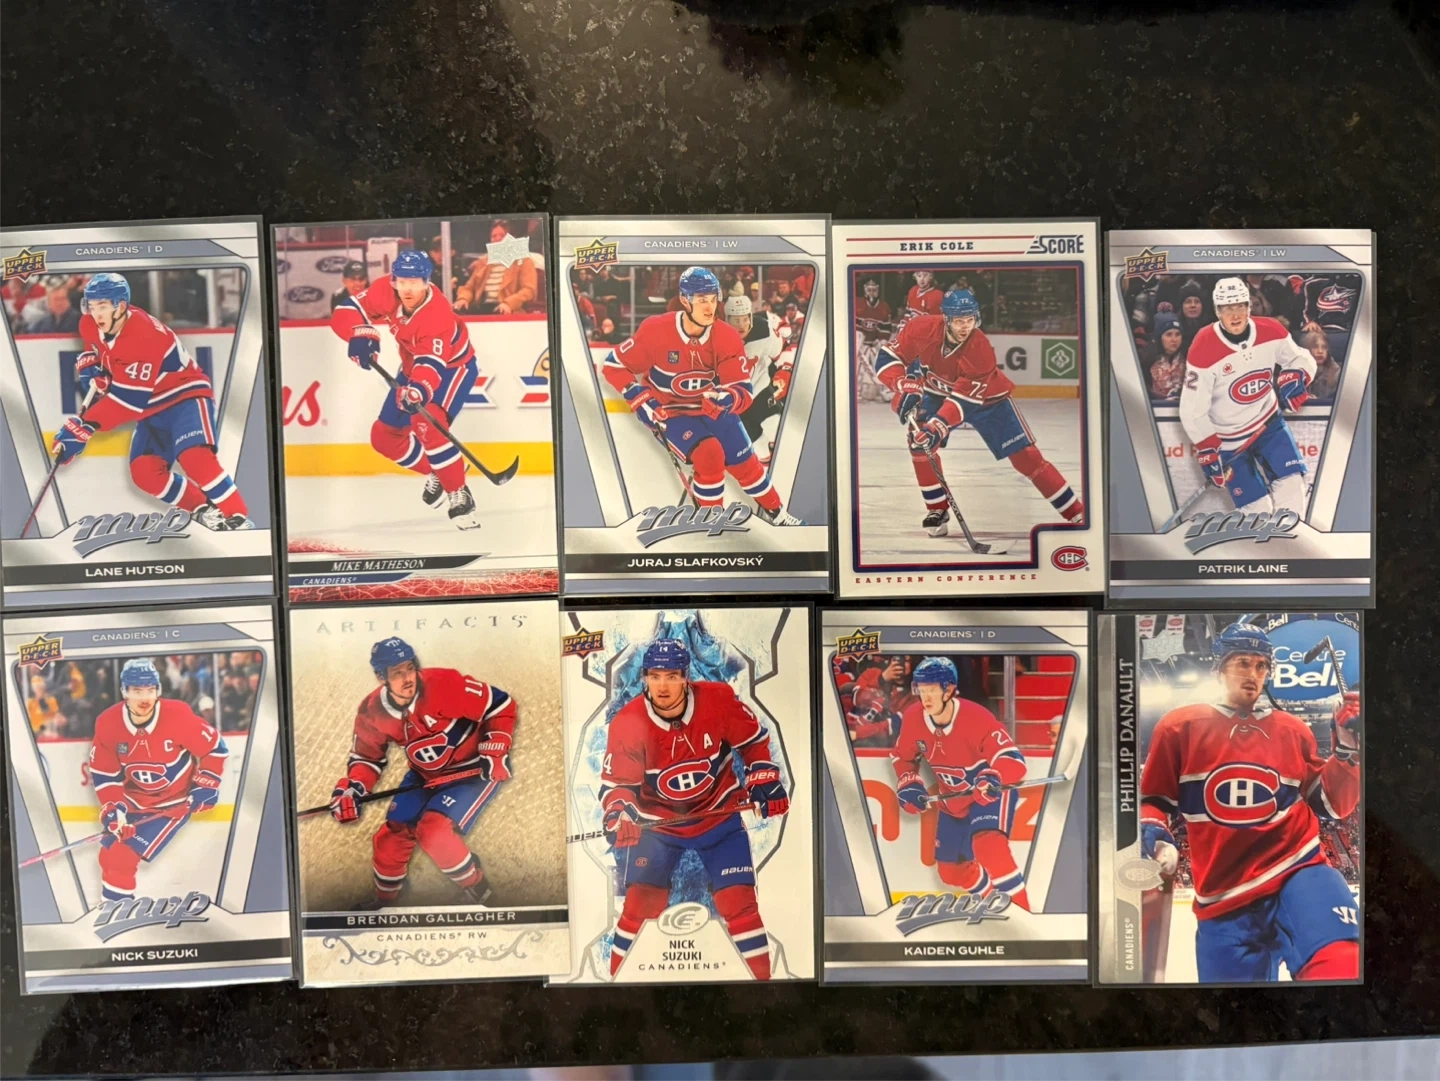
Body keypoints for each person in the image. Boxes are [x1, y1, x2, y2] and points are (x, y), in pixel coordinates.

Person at [1139, 622, 1360, 981]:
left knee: (1342, 961)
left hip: (1298, 869)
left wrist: (1347, 752)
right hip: (1223, 895)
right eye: (1242, 662)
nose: (1253, 674)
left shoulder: (1293, 729)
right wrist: (1153, 829)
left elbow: (1332, 806)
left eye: (1261, 666)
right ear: (1218, 669)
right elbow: (1154, 800)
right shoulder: (1178, 728)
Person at [600, 639, 788, 980]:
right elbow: (619, 787)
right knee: (639, 906)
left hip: (718, 817)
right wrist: (620, 815)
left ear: (686, 677)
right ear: (644, 678)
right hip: (658, 827)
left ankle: (764, 986)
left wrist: (763, 776)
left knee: (740, 904)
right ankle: (616, 984)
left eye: (672, 676)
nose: (662, 686)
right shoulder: (627, 723)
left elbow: (753, 742)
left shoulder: (718, 700)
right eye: (655, 676)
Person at [875, 288, 1085, 539]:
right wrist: (902, 385)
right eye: (959, 321)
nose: (965, 327)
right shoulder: (920, 328)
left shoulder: (980, 348)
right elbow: (888, 356)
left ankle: (1076, 512)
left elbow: (964, 401)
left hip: (989, 401)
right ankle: (937, 510)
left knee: (1027, 458)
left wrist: (937, 427)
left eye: (970, 320)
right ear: (946, 318)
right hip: (936, 393)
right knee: (920, 445)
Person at [599, 266, 802, 524]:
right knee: (710, 454)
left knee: (746, 463)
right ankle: (711, 523)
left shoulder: (726, 336)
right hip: (671, 412)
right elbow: (614, 365)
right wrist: (638, 398)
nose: (710, 307)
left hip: (713, 410)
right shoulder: (656, 330)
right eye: (702, 300)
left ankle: (779, 515)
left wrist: (730, 398)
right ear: (685, 300)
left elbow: (742, 388)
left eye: (714, 299)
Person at [51, 273, 253, 531]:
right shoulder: (89, 323)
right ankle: (204, 510)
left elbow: (127, 402)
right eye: (91, 306)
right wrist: (93, 366)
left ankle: (238, 516)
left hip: (184, 396)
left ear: (121, 306)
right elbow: (97, 351)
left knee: (195, 458)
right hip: (151, 407)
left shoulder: (143, 335)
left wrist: (85, 426)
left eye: (102, 306)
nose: (96, 314)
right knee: (145, 473)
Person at [329, 637, 515, 907]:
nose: (408, 678)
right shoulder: (371, 712)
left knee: (434, 832)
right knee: (389, 838)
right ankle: (386, 902)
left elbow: (500, 705)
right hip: (423, 775)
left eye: (410, 668)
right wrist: (352, 789)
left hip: (471, 771)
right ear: (381, 677)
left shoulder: (444, 683)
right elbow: (366, 758)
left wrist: (495, 748)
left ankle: (479, 889)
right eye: (397, 673)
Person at [330, 249, 483, 530]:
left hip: (452, 369)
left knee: (427, 424)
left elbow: (431, 366)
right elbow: (346, 310)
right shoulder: (385, 290)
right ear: (394, 280)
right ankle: (441, 471)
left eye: (414, 282)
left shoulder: (437, 315)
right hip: (413, 366)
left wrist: (417, 391)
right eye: (402, 281)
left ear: (426, 282)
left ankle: (459, 494)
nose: (408, 289)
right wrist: (358, 333)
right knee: (383, 438)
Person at [890, 657, 1030, 906]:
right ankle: (995, 903)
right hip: (953, 802)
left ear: (949, 689)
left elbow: (1013, 760)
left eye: (932, 689)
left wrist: (993, 776)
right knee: (951, 872)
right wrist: (909, 782)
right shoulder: (913, 718)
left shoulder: (976, 717)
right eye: (921, 690)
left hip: (988, 792)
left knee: (988, 845)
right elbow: (903, 757)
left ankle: (1023, 914)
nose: (926, 697)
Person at [88, 658, 228, 902]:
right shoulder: (108, 724)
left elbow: (215, 748)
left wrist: (206, 784)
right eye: (137, 691)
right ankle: (112, 909)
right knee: (108, 855)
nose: (145, 698)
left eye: (150, 690)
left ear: (158, 690)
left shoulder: (177, 716)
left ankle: (119, 914)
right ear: (124, 692)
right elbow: (105, 773)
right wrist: (114, 809)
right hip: (132, 801)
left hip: (171, 805)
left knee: (122, 857)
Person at [1180, 277, 1317, 516]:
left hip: (1269, 425)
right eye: (1227, 308)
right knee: (1257, 510)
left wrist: (1297, 375)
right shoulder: (1203, 345)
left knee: (1292, 486)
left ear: (1248, 306)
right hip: (1228, 440)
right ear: (1217, 311)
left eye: (1240, 306)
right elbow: (1192, 409)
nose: (1235, 314)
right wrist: (1207, 449)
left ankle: (1291, 538)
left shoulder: (1271, 330)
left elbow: (1301, 357)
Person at [724, 295, 788, 465]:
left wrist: (785, 370)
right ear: (727, 320)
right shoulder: (715, 338)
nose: (741, 325)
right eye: (736, 320)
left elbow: (781, 350)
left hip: (759, 388)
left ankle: (793, 461)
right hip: (734, 400)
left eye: (745, 319)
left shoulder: (763, 330)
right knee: (757, 445)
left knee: (775, 427)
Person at [454, 219, 539, 314]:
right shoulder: (483, 262)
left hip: (509, 311)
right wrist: (463, 299)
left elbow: (529, 290)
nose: (497, 239)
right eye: (494, 236)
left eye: (502, 235)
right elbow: (469, 288)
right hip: (482, 309)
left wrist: (508, 304)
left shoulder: (524, 261)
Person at [1145, 311, 1187, 399]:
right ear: (1159, 338)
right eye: (1169, 335)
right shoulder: (1147, 360)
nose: (1174, 339)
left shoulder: (1188, 357)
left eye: (1178, 334)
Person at [1304, 328, 1343, 400]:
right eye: (1315, 347)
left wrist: (1317, 400)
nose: (1320, 351)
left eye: (1324, 347)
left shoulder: (1336, 373)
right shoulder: (1299, 371)